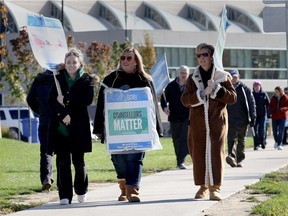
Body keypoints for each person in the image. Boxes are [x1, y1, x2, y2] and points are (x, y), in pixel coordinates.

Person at [93, 47, 163, 202]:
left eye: (129, 58)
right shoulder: (110, 79)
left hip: (139, 128)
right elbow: (101, 105)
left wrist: (157, 128)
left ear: (136, 61)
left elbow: (153, 107)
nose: (125, 61)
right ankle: (124, 187)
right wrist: (98, 128)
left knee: (135, 158)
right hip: (116, 129)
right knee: (118, 159)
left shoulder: (145, 80)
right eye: (123, 58)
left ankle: (132, 190)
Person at [181, 43, 237, 201]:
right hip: (198, 124)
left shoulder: (221, 76)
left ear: (211, 56)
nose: (201, 58)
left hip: (217, 122)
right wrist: (200, 94)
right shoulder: (193, 77)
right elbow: (185, 99)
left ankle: (215, 187)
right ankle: (203, 186)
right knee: (198, 153)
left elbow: (232, 98)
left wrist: (218, 89)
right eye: (198, 55)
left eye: (204, 54)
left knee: (216, 153)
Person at [47, 48, 96, 205]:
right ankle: (64, 195)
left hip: (79, 127)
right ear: (65, 63)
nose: (71, 64)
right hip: (61, 128)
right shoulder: (58, 78)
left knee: (78, 162)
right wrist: (63, 115)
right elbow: (52, 102)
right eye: (68, 62)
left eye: (74, 62)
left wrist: (67, 98)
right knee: (63, 163)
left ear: (80, 63)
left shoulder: (86, 79)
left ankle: (81, 190)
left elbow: (87, 100)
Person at [26, 70, 54, 191]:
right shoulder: (63, 76)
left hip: (45, 119)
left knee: (46, 151)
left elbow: (30, 99)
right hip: (61, 120)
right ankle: (63, 182)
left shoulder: (39, 79)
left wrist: (40, 110)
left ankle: (46, 178)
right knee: (63, 153)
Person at [160, 65, 189, 169]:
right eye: (182, 72)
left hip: (187, 117)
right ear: (178, 74)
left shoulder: (191, 86)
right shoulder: (171, 86)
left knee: (184, 138)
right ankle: (179, 160)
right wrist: (164, 108)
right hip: (174, 117)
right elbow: (163, 98)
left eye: (185, 73)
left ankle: (182, 161)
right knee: (176, 139)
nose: (183, 75)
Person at [226, 69, 256, 168]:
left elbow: (251, 103)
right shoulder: (225, 88)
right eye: (231, 77)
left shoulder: (245, 89)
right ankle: (231, 157)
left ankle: (239, 159)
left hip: (243, 119)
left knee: (241, 139)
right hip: (230, 118)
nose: (233, 79)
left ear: (239, 77)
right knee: (231, 138)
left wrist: (253, 117)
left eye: (235, 77)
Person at [269, 86, 288, 150]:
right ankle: (276, 141)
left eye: (277, 91)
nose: (276, 93)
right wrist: (270, 109)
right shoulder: (273, 98)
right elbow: (270, 105)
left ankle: (280, 144)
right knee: (274, 131)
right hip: (274, 116)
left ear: (280, 91)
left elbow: (287, 106)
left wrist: (282, 109)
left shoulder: (285, 97)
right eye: (275, 91)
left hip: (282, 117)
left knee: (281, 131)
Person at [252, 81, 270, 150]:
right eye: (255, 86)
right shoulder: (251, 94)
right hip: (254, 115)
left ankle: (262, 142)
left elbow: (268, 105)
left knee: (262, 130)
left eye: (258, 86)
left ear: (260, 86)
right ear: (253, 87)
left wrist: (268, 114)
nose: (256, 87)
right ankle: (256, 144)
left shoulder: (264, 94)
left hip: (262, 115)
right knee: (255, 130)